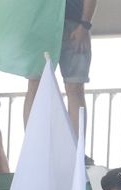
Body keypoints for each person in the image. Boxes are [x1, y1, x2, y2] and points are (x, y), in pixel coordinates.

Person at [25, 0, 94, 131]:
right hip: (41, 24)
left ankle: (76, 149)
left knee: (75, 88)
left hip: (73, 24)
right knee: (35, 83)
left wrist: (84, 25)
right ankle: (32, 145)